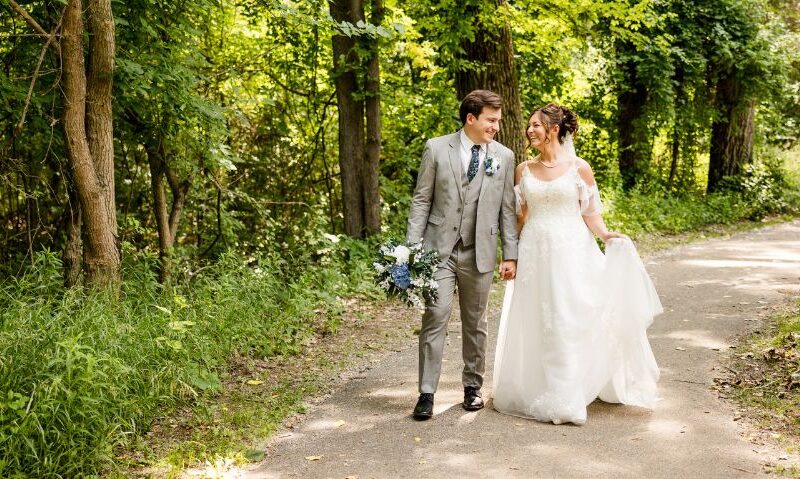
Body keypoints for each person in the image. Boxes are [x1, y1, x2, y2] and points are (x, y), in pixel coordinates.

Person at [492, 104, 662, 425]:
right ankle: (540, 385)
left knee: (569, 314)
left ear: (554, 129)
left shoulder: (579, 168)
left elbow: (590, 212)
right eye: (529, 126)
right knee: (537, 316)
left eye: (535, 126)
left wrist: (606, 234)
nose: (530, 131)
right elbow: (521, 216)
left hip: (571, 250)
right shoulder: (523, 170)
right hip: (534, 252)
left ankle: (569, 389)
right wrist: (507, 253)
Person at [407, 90, 519, 420]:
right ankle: (426, 393)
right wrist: (413, 248)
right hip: (437, 250)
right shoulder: (436, 148)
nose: (496, 126)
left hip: (480, 251)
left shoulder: (504, 156)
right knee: (436, 316)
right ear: (471, 118)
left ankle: (473, 388)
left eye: (497, 120)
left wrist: (510, 254)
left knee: (476, 322)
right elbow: (421, 200)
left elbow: (507, 210)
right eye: (491, 120)